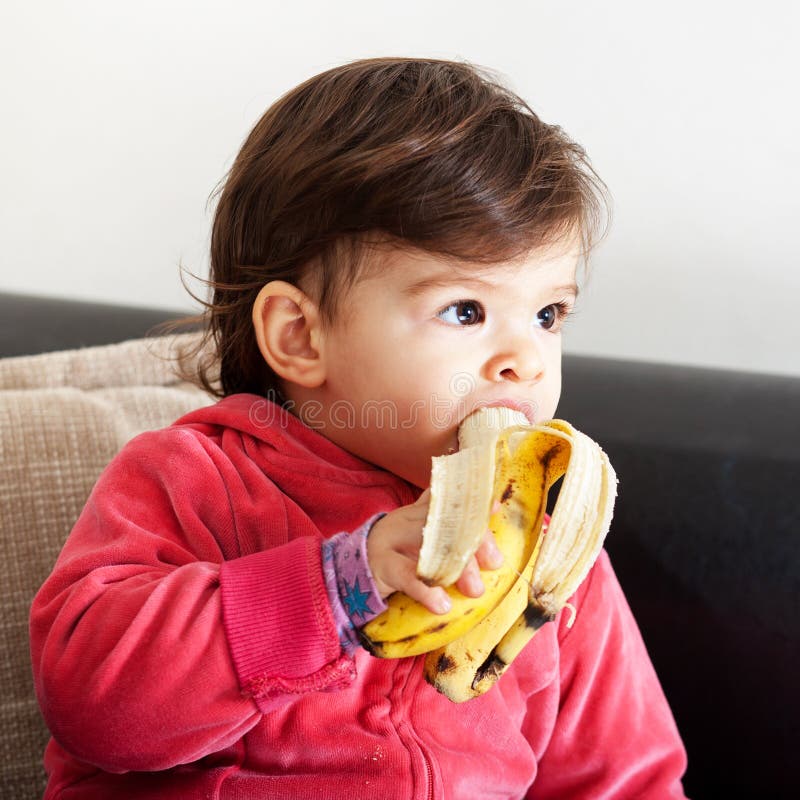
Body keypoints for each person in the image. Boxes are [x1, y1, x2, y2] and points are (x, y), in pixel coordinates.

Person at [30, 57, 688, 798]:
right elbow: (98, 708)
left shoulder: (553, 544)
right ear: (301, 337)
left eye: (548, 315)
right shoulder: (191, 479)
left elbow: (628, 778)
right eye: (465, 311)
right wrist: (340, 585)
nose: (524, 360)